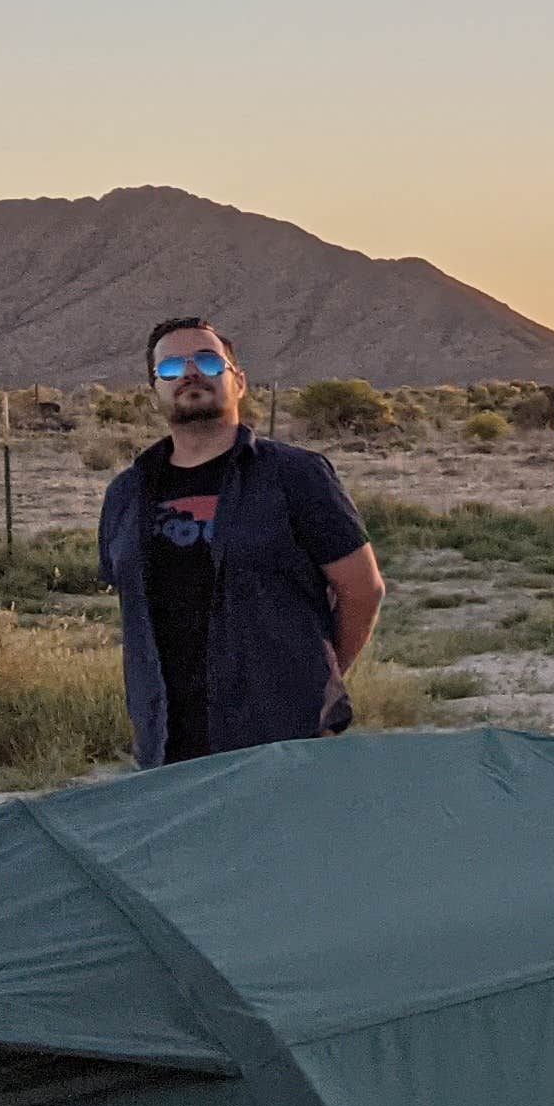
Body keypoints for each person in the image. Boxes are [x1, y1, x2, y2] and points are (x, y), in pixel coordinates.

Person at [98, 318, 388, 768]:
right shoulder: (127, 494)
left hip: (284, 740)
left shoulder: (296, 476)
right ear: (154, 391)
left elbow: (362, 589)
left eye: (208, 361)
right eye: (171, 368)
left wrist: (315, 684)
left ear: (239, 381)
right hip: (167, 749)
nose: (190, 374)